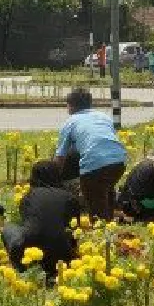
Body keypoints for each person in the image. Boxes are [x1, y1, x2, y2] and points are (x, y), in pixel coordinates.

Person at [54, 88, 128, 221]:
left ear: (70, 106)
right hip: (119, 161)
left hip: (94, 166)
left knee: (95, 206)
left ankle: (102, 233)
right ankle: (110, 222)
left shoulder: (70, 122)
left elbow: (60, 157)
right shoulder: (103, 117)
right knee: (106, 192)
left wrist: (53, 178)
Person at [2, 160, 80, 281]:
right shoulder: (69, 197)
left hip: (31, 254)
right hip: (63, 257)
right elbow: (75, 231)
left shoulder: (28, 197)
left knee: (9, 228)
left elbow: (31, 226)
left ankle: (21, 267)